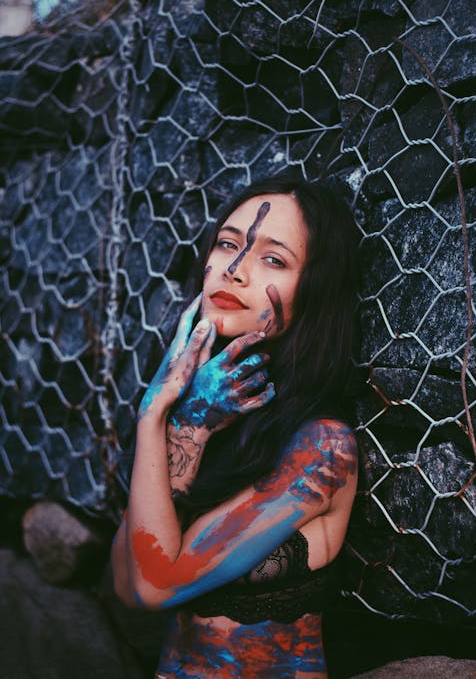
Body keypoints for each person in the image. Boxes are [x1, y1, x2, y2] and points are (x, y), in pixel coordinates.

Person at [112, 170, 360, 678]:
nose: (236, 269)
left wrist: (159, 414)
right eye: (227, 244)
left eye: (274, 258)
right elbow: (123, 579)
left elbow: (152, 585)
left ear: (314, 292)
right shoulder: (209, 414)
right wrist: (183, 421)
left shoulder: (323, 447)